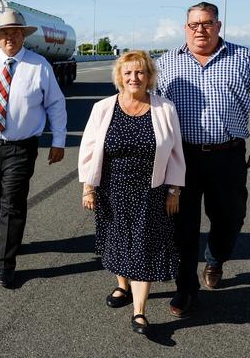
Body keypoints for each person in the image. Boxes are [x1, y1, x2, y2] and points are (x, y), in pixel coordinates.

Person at [157, 1, 250, 317]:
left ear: (218, 26)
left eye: (207, 23)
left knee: (230, 218)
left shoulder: (242, 57)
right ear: (185, 28)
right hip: (183, 158)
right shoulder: (168, 62)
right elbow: (150, 108)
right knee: (183, 225)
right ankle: (185, 289)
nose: (200, 30)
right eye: (194, 24)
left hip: (228, 156)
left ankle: (216, 258)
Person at [0, 8, 67, 288]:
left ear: (23, 36)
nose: (10, 38)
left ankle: (6, 264)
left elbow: (56, 104)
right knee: (0, 200)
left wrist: (59, 141)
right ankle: (12, 235)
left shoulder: (39, 65)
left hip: (22, 147)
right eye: (6, 33)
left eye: (16, 32)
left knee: (11, 203)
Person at [78, 50, 185, 334]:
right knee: (117, 239)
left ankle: (139, 312)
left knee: (143, 246)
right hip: (111, 189)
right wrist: (88, 187)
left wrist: (174, 190)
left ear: (149, 76)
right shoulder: (103, 108)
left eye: (140, 72)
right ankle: (121, 285)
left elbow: (174, 152)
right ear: (120, 77)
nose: (134, 78)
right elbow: (89, 149)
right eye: (128, 73)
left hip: (151, 190)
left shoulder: (164, 109)